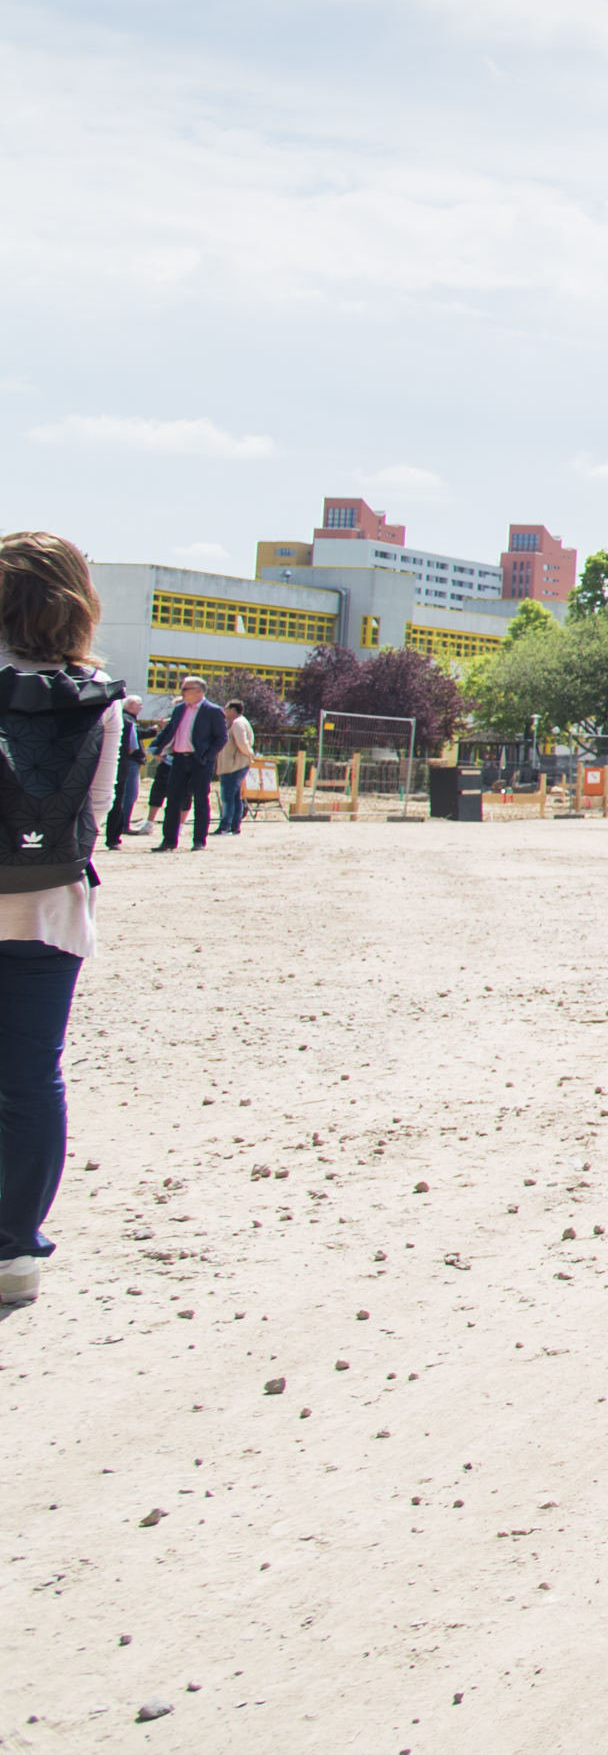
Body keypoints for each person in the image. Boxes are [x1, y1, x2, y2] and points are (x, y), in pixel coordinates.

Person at [0, 532, 125, 1305]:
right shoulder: (100, 697)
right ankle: (16, 1252)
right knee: (31, 1079)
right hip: (51, 910)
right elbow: (104, 810)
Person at [147, 677, 226, 852]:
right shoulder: (178, 709)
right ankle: (168, 840)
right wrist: (156, 748)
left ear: (198, 691)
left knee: (200, 800)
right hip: (179, 760)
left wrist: (206, 757)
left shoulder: (213, 711)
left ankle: (199, 841)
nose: (181, 692)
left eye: (185, 689)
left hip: (200, 761)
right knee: (173, 799)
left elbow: (221, 738)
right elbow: (169, 730)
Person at [213, 694, 258, 837]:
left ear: (233, 709)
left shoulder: (238, 723)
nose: (224, 712)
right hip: (233, 765)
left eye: (226, 709)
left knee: (228, 796)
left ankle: (225, 826)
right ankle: (234, 826)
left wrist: (250, 754)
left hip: (234, 766)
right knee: (234, 797)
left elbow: (242, 743)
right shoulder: (238, 722)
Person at [103, 695, 140, 852]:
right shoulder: (127, 723)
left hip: (100, 760)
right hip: (118, 762)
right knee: (117, 800)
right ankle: (113, 839)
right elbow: (132, 747)